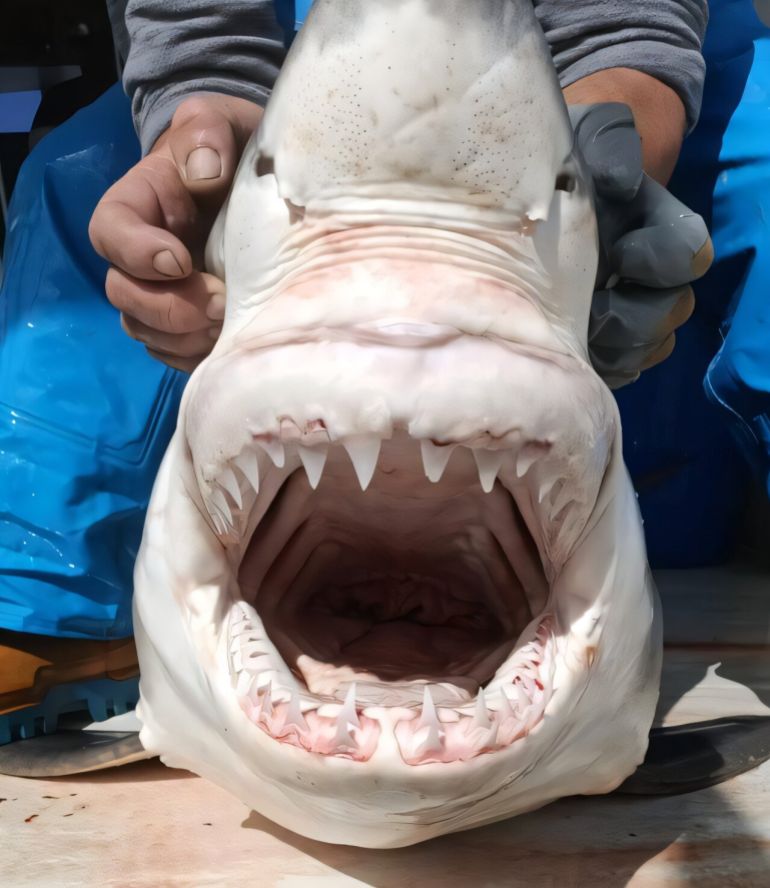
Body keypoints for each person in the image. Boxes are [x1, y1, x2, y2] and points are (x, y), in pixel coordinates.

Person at [0, 0, 712, 746]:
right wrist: (202, 100)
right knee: (77, 176)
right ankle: (61, 611)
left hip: (583, 65)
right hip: (281, 40)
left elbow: (626, 23)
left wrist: (619, 129)